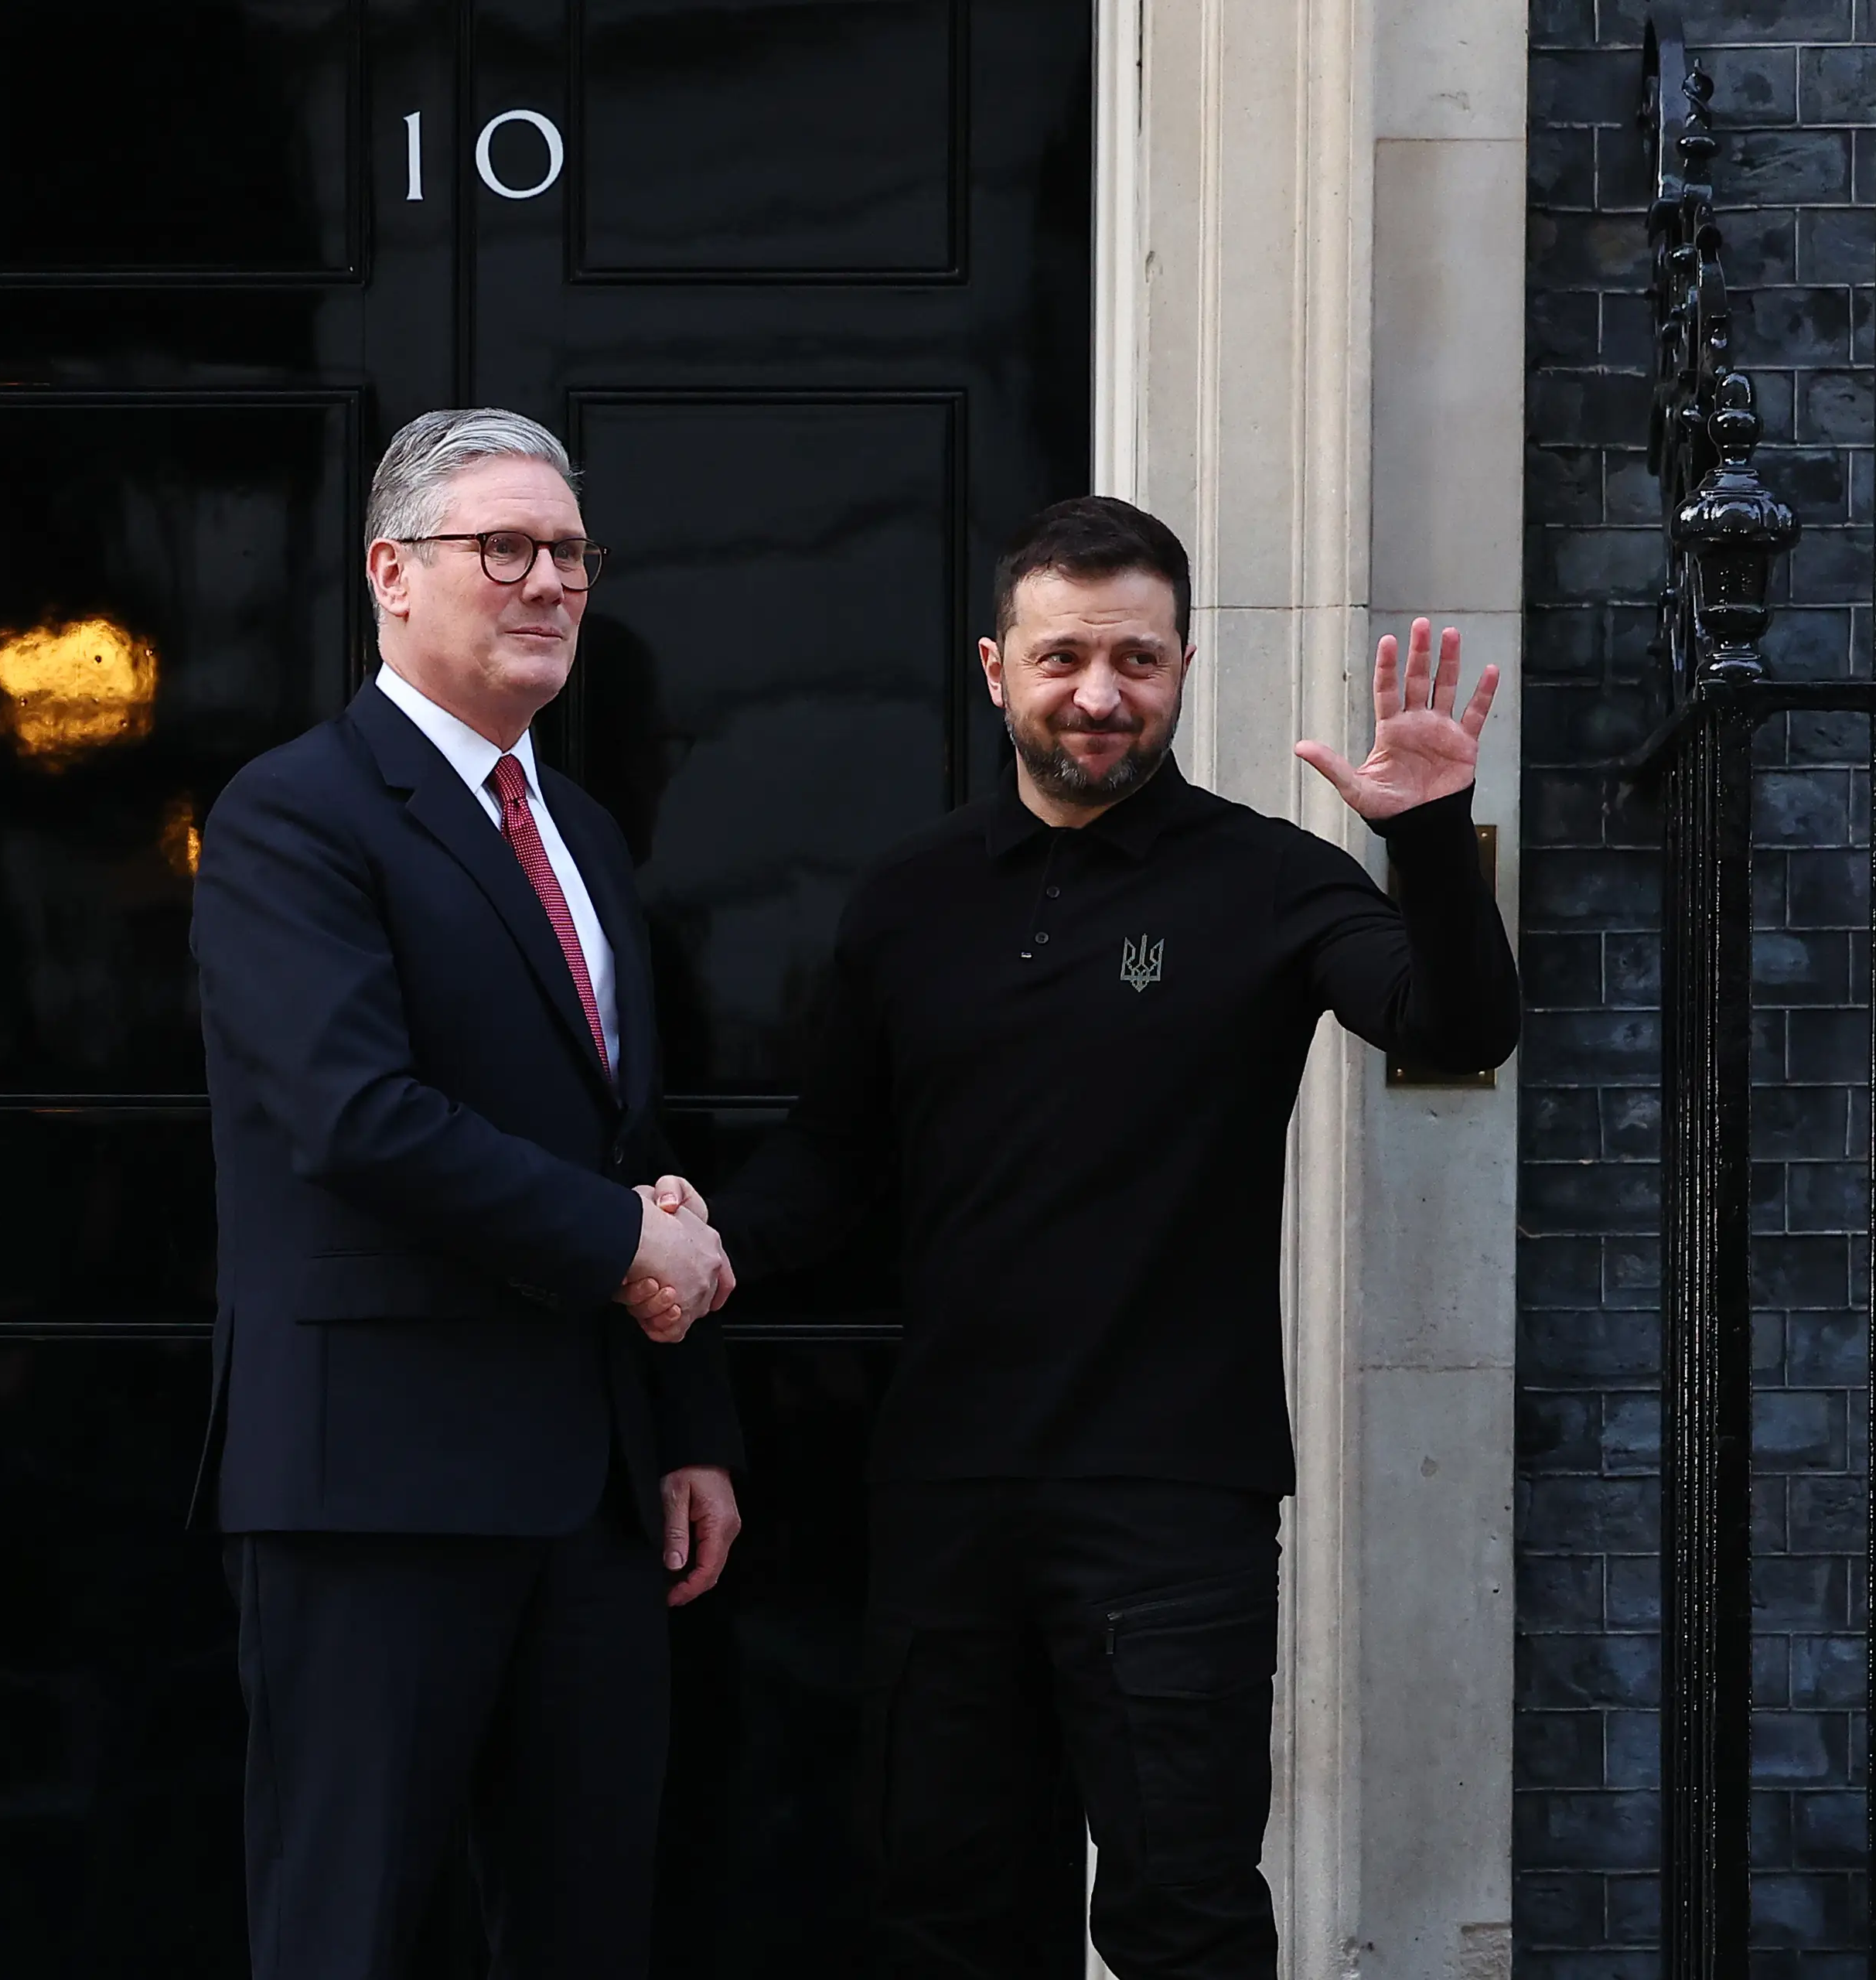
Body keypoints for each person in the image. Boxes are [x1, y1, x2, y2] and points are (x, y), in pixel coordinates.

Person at [627, 496, 1520, 1976]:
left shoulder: (1269, 881)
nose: (1099, 694)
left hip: (1174, 1500)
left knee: (1187, 1916)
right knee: (952, 1915)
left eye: (1137, 659)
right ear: (996, 670)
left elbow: (1457, 1021)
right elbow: (832, 1167)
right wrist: (690, 1243)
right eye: (1063, 659)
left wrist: (1424, 836)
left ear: (1183, 667)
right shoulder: (909, 900)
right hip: (946, 1493)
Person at [190, 406, 745, 1978]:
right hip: (376, 1490)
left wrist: (689, 1424)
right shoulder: (295, 813)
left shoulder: (573, 825)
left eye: (569, 551)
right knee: (347, 1931)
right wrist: (627, 1240)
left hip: (591, 1491)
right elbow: (357, 1116)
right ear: (393, 573)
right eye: (503, 547)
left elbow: (627, 1140)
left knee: (580, 1932)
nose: (549, 581)